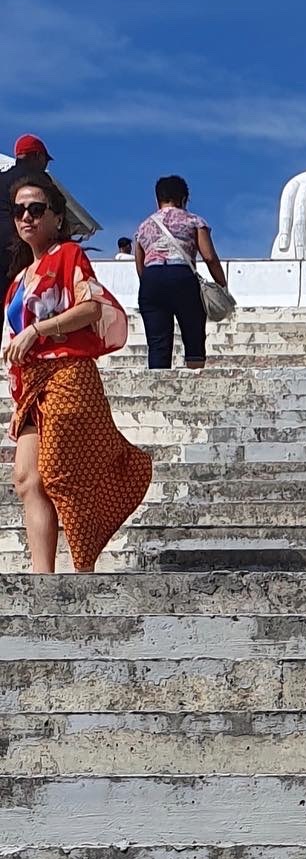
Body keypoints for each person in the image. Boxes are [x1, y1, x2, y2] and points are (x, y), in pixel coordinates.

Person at [4, 174, 151, 572]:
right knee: (27, 478)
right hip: (33, 384)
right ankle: (42, 578)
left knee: (59, 472)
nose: (26, 217)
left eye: (36, 209)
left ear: (56, 217)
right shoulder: (18, 280)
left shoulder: (68, 255)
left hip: (68, 375)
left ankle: (83, 567)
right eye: (19, 210)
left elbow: (90, 307)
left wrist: (38, 330)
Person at [134, 176, 228, 371]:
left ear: (157, 199)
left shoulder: (144, 226)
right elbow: (209, 257)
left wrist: (150, 283)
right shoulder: (194, 221)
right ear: (184, 199)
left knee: (158, 343)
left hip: (152, 279)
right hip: (182, 276)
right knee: (193, 335)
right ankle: (195, 375)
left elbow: (140, 264)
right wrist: (221, 285)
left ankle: (159, 384)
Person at [0, 135, 54, 272]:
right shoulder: (40, 180)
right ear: (38, 156)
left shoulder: (2, 179)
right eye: (46, 160)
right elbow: (56, 210)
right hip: (22, 253)